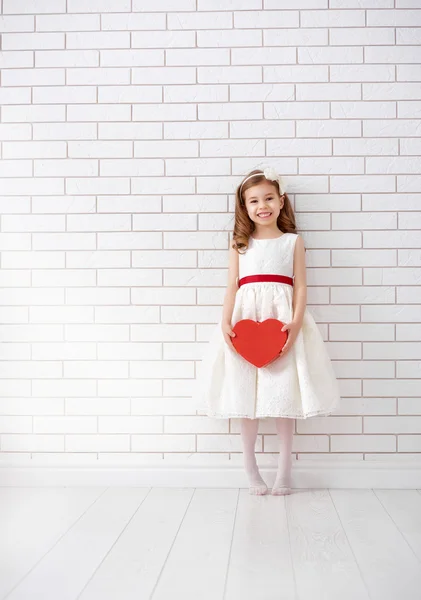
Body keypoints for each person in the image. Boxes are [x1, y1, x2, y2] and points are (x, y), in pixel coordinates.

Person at [192, 167, 341, 496]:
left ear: (281, 200)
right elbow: (232, 286)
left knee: (282, 396)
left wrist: (296, 323)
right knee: (247, 398)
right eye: (254, 200)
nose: (263, 205)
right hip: (245, 324)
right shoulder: (240, 244)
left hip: (282, 322)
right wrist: (225, 322)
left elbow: (301, 286)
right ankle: (251, 469)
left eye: (269, 198)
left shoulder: (292, 242)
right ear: (244, 207)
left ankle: (285, 471)